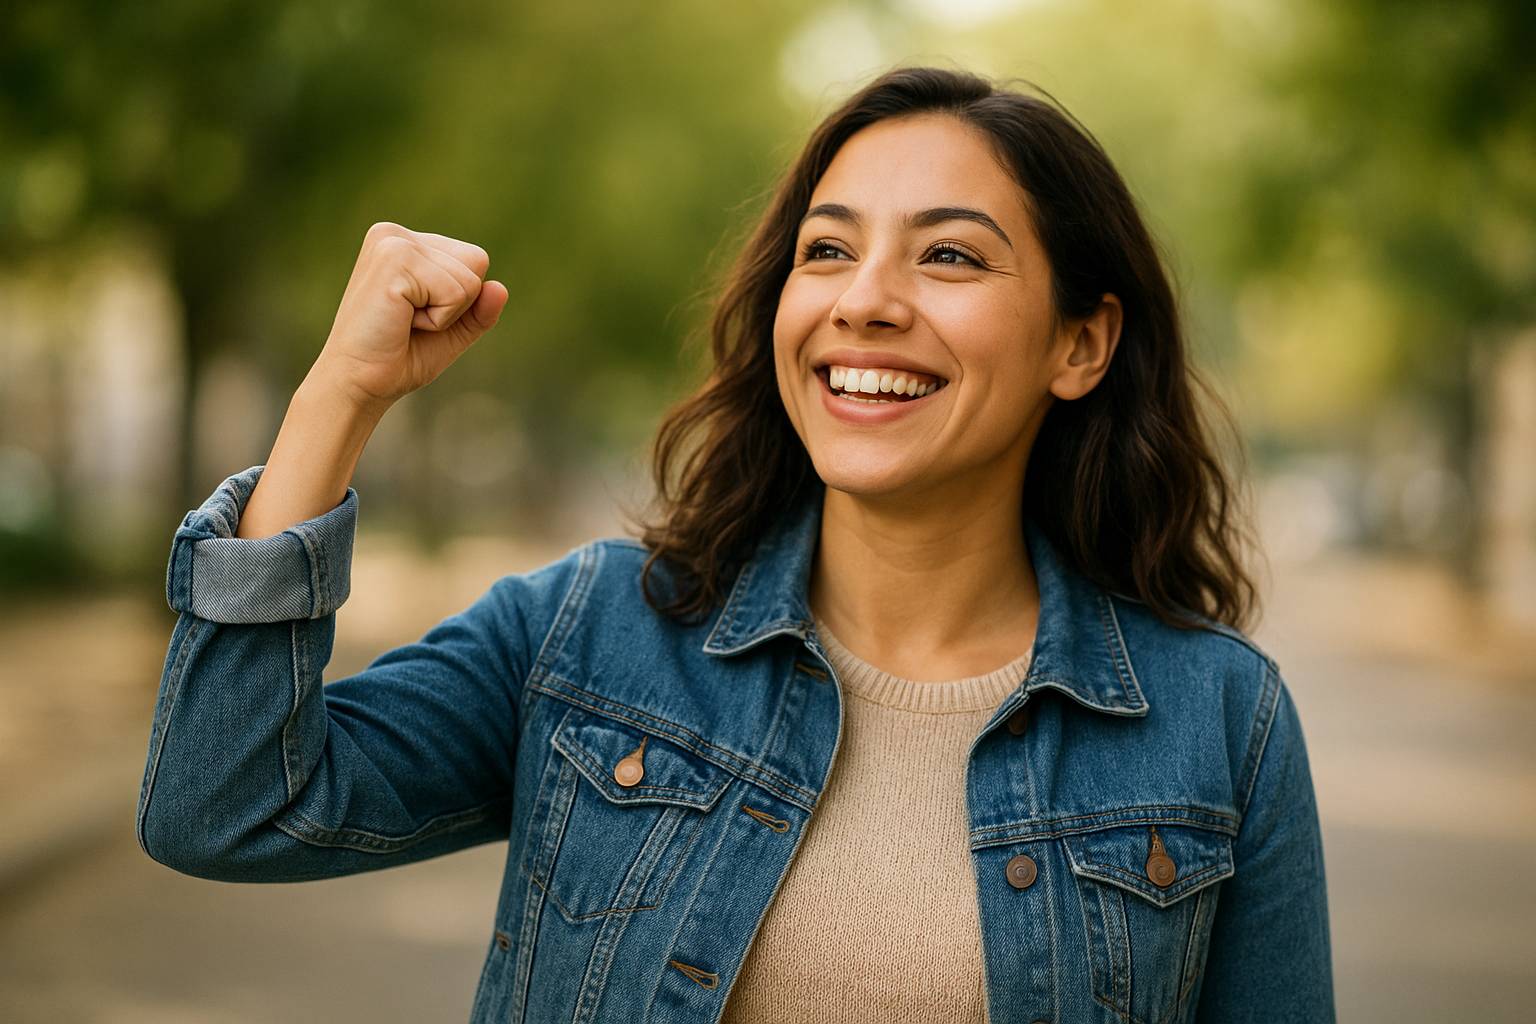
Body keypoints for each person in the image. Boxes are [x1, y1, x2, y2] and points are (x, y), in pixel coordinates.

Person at [137, 65, 1335, 1023]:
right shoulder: (595, 635)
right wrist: (337, 398)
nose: (865, 297)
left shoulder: (1220, 729)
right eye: (828, 248)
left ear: (1082, 343)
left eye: (951, 253)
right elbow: (226, 802)